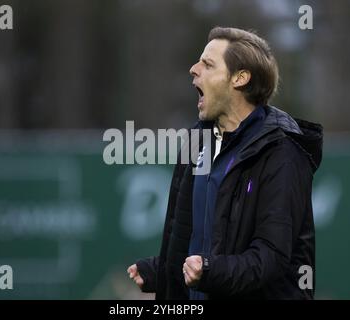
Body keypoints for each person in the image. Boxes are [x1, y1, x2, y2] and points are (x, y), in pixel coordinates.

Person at [127, 26, 323, 299]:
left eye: (208, 64)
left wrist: (208, 271)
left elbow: (270, 258)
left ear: (240, 78)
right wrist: (162, 271)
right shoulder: (197, 141)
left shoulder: (282, 152)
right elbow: (199, 237)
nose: (194, 69)